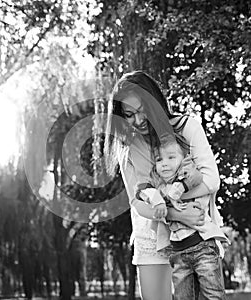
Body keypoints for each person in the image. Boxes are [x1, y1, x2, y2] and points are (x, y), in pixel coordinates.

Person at [104, 70, 225, 300]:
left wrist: (179, 204)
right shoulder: (127, 149)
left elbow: (211, 179)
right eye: (129, 115)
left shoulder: (186, 127)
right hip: (152, 236)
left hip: (196, 233)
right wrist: (176, 214)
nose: (137, 121)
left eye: (142, 111)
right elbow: (137, 204)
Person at [137, 134, 229, 300]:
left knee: (213, 295)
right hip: (178, 253)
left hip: (203, 247)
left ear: (184, 159)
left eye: (171, 157)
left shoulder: (188, 175)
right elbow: (141, 191)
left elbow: (196, 177)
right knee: (183, 297)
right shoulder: (159, 187)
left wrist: (178, 188)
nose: (164, 163)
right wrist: (158, 201)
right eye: (159, 159)